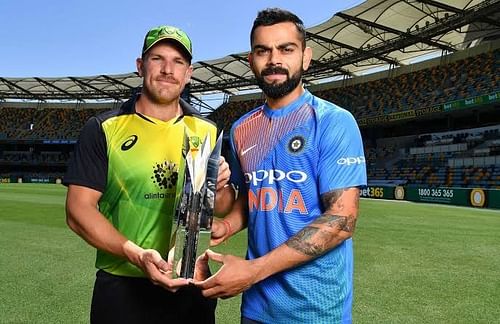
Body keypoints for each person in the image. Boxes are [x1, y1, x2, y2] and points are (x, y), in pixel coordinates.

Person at [195, 8, 367, 324]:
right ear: (252, 61)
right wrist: (228, 225)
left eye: (286, 49)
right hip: (258, 308)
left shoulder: (333, 122)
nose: (274, 60)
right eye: (263, 51)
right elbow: (253, 196)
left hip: (316, 311)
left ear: (306, 57)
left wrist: (252, 271)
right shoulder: (242, 128)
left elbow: (342, 220)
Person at [64, 25, 234, 324]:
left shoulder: (208, 131)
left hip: (190, 285)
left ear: (189, 73)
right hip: (122, 286)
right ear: (141, 66)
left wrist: (218, 187)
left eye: (178, 62)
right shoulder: (104, 128)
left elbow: (220, 208)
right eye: (158, 58)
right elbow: (78, 210)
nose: (168, 69)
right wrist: (135, 254)